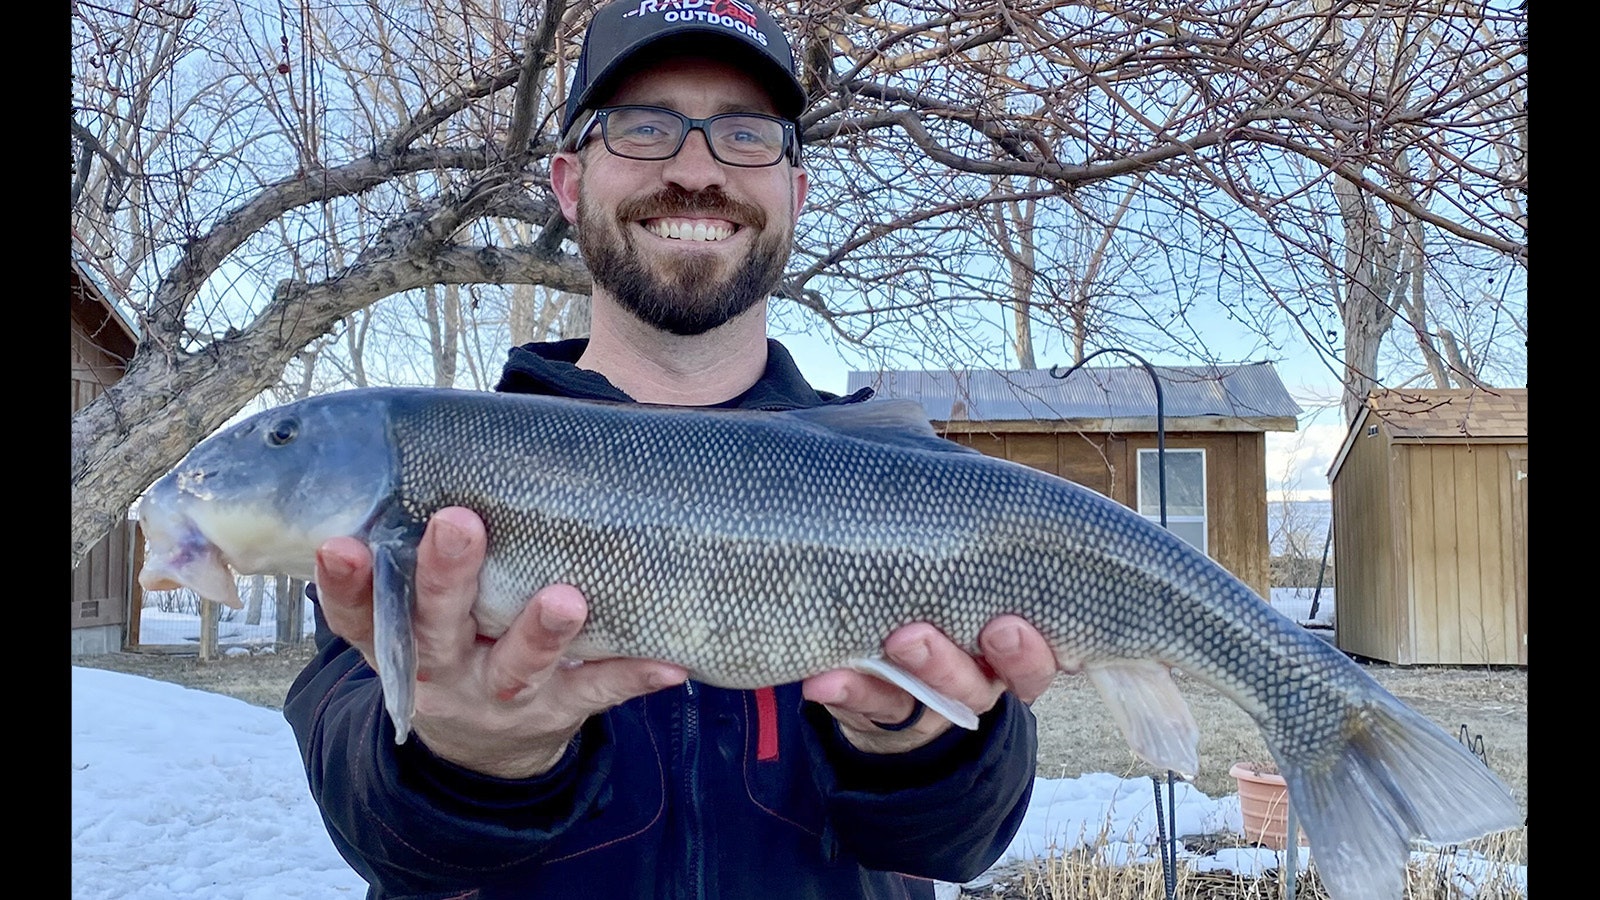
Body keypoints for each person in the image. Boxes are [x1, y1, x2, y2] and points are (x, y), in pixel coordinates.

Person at [284, 1, 1058, 896]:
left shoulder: (906, 487)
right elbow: (381, 834)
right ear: (569, 184)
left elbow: (953, 848)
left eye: (745, 133)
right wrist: (470, 761)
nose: (696, 169)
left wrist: (922, 743)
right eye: (645, 129)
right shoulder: (441, 477)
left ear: (793, 193)